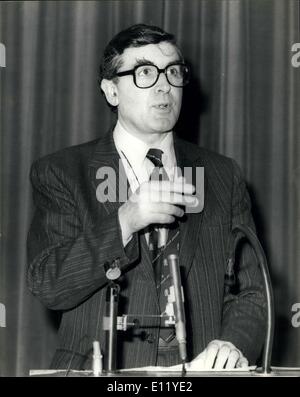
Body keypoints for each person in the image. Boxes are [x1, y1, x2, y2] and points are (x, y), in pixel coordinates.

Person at [27, 23, 266, 371]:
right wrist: (125, 221)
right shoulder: (63, 172)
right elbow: (49, 284)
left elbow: (252, 291)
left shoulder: (221, 175)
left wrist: (233, 344)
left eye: (173, 72)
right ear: (112, 91)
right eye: (144, 73)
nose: (164, 86)